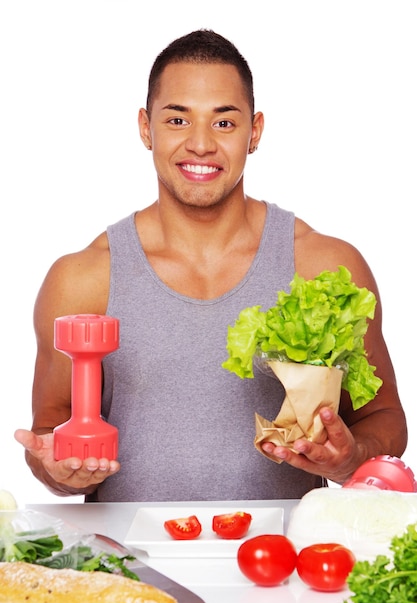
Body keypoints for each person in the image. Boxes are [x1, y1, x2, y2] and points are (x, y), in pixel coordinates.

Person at [15, 29, 407, 502]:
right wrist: (61, 470)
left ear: (255, 132)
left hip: (283, 567)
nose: (200, 144)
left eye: (224, 123)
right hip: (133, 569)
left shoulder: (324, 266)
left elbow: (384, 418)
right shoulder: (81, 279)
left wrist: (352, 455)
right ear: (146, 127)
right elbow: (50, 433)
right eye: (178, 119)